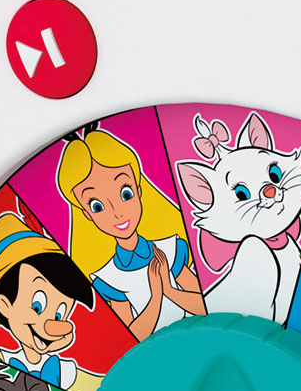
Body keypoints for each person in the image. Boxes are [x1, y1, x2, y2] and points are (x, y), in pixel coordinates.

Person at [57, 125, 205, 339]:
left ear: (138, 189)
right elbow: (131, 336)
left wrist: (170, 290)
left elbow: (204, 307)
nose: (117, 213)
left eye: (125, 193)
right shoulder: (109, 276)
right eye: (97, 206)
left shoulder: (171, 248)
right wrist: (156, 296)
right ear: (87, 214)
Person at [0, 210, 102, 391]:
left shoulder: (61, 370)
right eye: (37, 307)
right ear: (4, 305)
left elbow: (102, 384)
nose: (52, 323)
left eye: (59, 315)